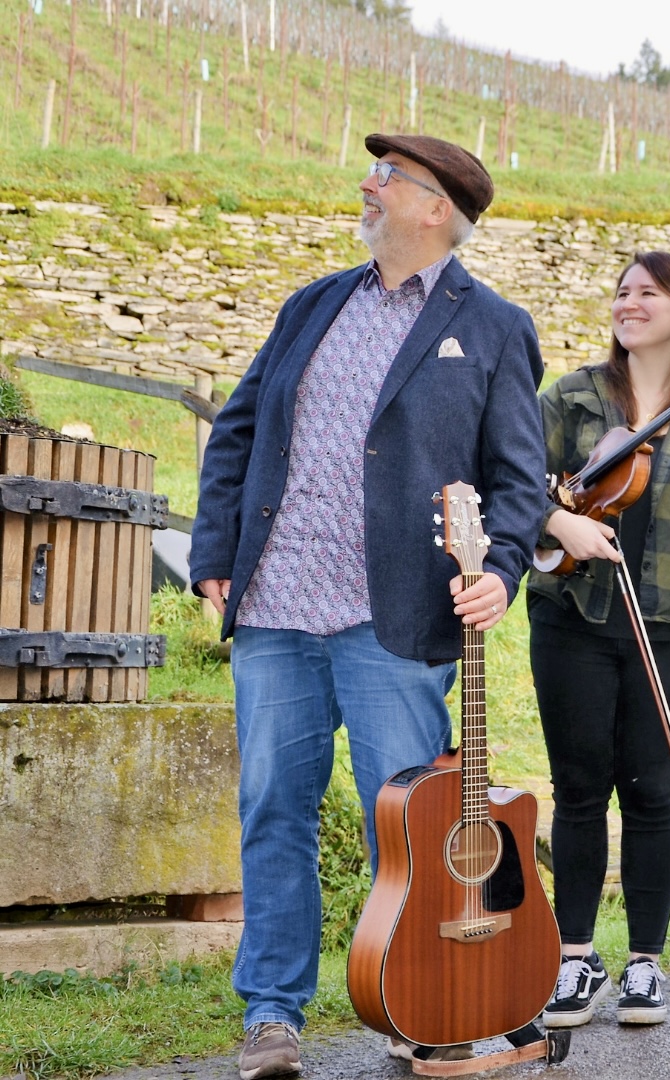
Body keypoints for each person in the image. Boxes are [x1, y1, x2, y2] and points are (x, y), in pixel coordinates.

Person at [190, 134, 546, 1080]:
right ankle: (273, 1015)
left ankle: (424, 1007)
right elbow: (236, 431)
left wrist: (501, 568)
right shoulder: (314, 302)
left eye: (388, 178)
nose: (368, 186)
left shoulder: (496, 327)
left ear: (436, 208)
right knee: (274, 808)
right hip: (276, 604)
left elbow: (519, 480)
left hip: (395, 618)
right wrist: (214, 551)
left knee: (421, 826)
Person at [527, 252, 670, 1029]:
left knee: (653, 792)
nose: (628, 303)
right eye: (621, 291)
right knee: (580, 789)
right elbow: (517, 477)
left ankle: (646, 965)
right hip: (571, 617)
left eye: (647, 292)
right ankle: (574, 958)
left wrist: (669, 566)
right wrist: (566, 525)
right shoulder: (573, 397)